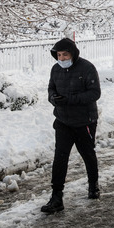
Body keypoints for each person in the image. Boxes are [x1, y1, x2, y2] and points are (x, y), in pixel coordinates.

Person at [41, 37, 102, 214]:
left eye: (65, 55)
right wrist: (54, 99)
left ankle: (93, 185)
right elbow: (51, 89)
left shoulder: (87, 68)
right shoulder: (55, 69)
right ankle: (57, 197)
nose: (62, 59)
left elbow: (95, 93)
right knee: (60, 158)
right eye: (59, 55)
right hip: (63, 121)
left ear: (73, 54)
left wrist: (70, 100)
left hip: (84, 121)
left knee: (87, 154)